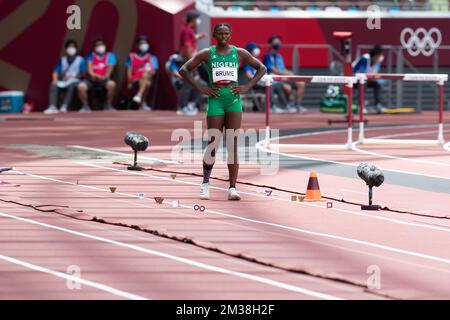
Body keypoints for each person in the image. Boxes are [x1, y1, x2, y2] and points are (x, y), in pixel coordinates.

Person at [179, 23, 266, 201]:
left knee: (233, 145)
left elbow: (262, 68)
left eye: (226, 33)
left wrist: (247, 86)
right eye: (220, 33)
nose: (223, 36)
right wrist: (201, 88)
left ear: (231, 34)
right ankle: (205, 185)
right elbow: (184, 70)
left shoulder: (239, 52)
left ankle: (232, 188)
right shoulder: (207, 53)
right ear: (214, 35)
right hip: (216, 100)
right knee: (213, 144)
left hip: (234, 100)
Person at [263, 35, 306, 112]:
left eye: (279, 42)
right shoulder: (267, 56)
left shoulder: (279, 56)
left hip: (284, 78)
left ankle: (297, 105)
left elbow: (282, 68)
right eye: (276, 42)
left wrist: (289, 73)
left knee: (301, 84)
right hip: (275, 80)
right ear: (271, 44)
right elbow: (273, 69)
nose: (278, 44)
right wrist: (285, 74)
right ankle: (288, 105)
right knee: (288, 88)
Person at [243, 42, 289, 112]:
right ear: (250, 50)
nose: (257, 50)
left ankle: (285, 106)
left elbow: (264, 72)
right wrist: (258, 78)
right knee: (270, 86)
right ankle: (272, 106)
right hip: (255, 83)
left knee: (278, 85)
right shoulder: (248, 62)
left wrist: (265, 77)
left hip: (263, 81)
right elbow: (249, 75)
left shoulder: (259, 60)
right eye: (255, 48)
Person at [44, 40, 86, 114]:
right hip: (64, 81)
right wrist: (55, 79)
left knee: (71, 85)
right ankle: (52, 106)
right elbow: (56, 71)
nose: (71, 49)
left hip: (76, 81)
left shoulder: (81, 60)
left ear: (76, 49)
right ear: (66, 49)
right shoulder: (62, 59)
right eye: (69, 47)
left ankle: (65, 106)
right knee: (53, 84)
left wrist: (73, 76)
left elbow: (83, 73)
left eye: (73, 47)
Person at [77, 38, 117, 112]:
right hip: (91, 80)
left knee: (112, 84)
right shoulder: (90, 56)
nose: (100, 46)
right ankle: (85, 106)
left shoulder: (110, 56)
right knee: (81, 86)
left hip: (104, 80)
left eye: (101, 44)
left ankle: (108, 105)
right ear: (94, 48)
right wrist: (94, 75)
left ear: (105, 46)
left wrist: (104, 77)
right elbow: (90, 70)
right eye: (97, 45)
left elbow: (109, 71)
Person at [126, 35, 158, 111]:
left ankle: (139, 95)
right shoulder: (132, 56)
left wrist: (146, 74)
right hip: (135, 79)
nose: (144, 45)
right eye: (141, 43)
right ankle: (142, 102)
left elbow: (154, 71)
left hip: (147, 77)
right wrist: (129, 82)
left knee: (146, 81)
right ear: (138, 45)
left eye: (145, 43)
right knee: (146, 82)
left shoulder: (152, 57)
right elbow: (129, 70)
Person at [352, 45, 386, 113]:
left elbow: (374, 74)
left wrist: (377, 79)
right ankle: (360, 106)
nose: (379, 57)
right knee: (363, 83)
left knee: (377, 85)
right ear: (374, 56)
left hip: (366, 79)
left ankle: (378, 105)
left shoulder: (378, 61)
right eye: (378, 55)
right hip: (353, 79)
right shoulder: (365, 59)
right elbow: (361, 73)